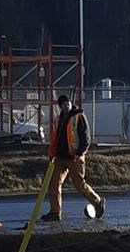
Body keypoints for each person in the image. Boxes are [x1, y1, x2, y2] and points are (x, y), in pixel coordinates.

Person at [41, 94, 106, 222]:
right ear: (60, 107)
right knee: (54, 185)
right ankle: (55, 212)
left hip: (74, 157)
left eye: (67, 103)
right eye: (63, 104)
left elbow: (86, 138)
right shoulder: (60, 119)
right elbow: (56, 138)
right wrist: (52, 154)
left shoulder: (78, 117)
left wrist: (80, 153)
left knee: (79, 184)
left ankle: (97, 202)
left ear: (71, 103)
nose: (66, 105)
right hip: (60, 157)